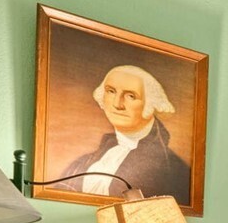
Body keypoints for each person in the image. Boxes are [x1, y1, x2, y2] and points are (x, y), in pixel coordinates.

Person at [60, 64, 192, 206]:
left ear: (150, 103)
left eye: (131, 96)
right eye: (111, 91)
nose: (117, 104)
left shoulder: (174, 171)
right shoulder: (82, 163)